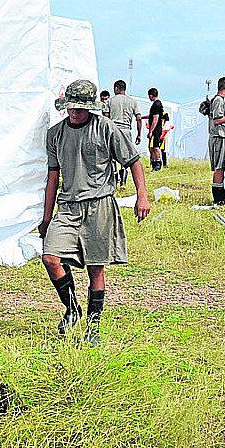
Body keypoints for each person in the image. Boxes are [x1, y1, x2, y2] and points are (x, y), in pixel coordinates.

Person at [39, 80, 150, 347]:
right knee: (50, 258)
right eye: (72, 108)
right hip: (68, 206)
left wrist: (142, 196)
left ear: (90, 108)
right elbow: (53, 176)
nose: (75, 113)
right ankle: (72, 309)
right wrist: (46, 216)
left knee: (95, 270)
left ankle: (93, 326)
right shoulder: (55, 134)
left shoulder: (105, 128)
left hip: (99, 205)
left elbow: (133, 161)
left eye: (81, 108)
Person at [105, 80, 141, 187]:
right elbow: (139, 118)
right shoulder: (132, 101)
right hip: (126, 130)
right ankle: (123, 182)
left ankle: (115, 180)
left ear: (116, 88)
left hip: (113, 129)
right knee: (126, 156)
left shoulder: (110, 101)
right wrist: (139, 134)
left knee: (111, 156)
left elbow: (106, 117)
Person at [206, 77, 225, 205]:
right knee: (219, 167)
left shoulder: (218, 100)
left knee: (221, 166)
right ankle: (218, 197)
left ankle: (222, 194)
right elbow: (217, 121)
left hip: (220, 137)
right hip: (219, 137)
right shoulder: (218, 100)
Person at [145, 87, 166, 171]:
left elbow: (155, 118)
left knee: (155, 147)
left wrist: (151, 131)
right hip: (156, 129)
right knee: (151, 147)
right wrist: (142, 117)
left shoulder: (156, 105)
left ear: (151, 95)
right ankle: (154, 162)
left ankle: (158, 163)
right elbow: (152, 116)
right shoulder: (157, 104)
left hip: (156, 129)